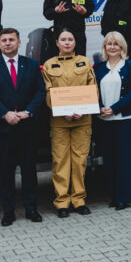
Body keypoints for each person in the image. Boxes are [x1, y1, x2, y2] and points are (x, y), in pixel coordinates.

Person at [0, 28, 45, 226]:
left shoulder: (31, 64)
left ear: (19, 42)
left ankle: (31, 209)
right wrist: (4, 113)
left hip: (27, 127)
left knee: (29, 171)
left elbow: (40, 91)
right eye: (4, 40)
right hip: (3, 128)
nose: (7, 43)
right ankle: (8, 212)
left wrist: (29, 111)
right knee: (6, 172)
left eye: (11, 40)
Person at [42, 29, 96, 217]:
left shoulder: (85, 62)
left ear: (75, 42)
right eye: (63, 39)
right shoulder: (49, 65)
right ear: (57, 43)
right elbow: (47, 91)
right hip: (60, 122)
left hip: (82, 120)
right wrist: (62, 111)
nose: (67, 42)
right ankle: (62, 202)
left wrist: (83, 110)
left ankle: (79, 201)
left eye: (70, 39)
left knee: (80, 161)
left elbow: (92, 88)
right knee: (60, 161)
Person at [95, 31, 131, 210]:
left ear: (122, 46)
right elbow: (92, 91)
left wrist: (114, 108)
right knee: (109, 159)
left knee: (124, 159)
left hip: (124, 118)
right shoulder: (98, 67)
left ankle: (124, 197)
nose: (112, 47)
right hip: (104, 119)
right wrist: (100, 107)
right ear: (104, 47)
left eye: (116, 44)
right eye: (109, 44)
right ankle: (114, 197)